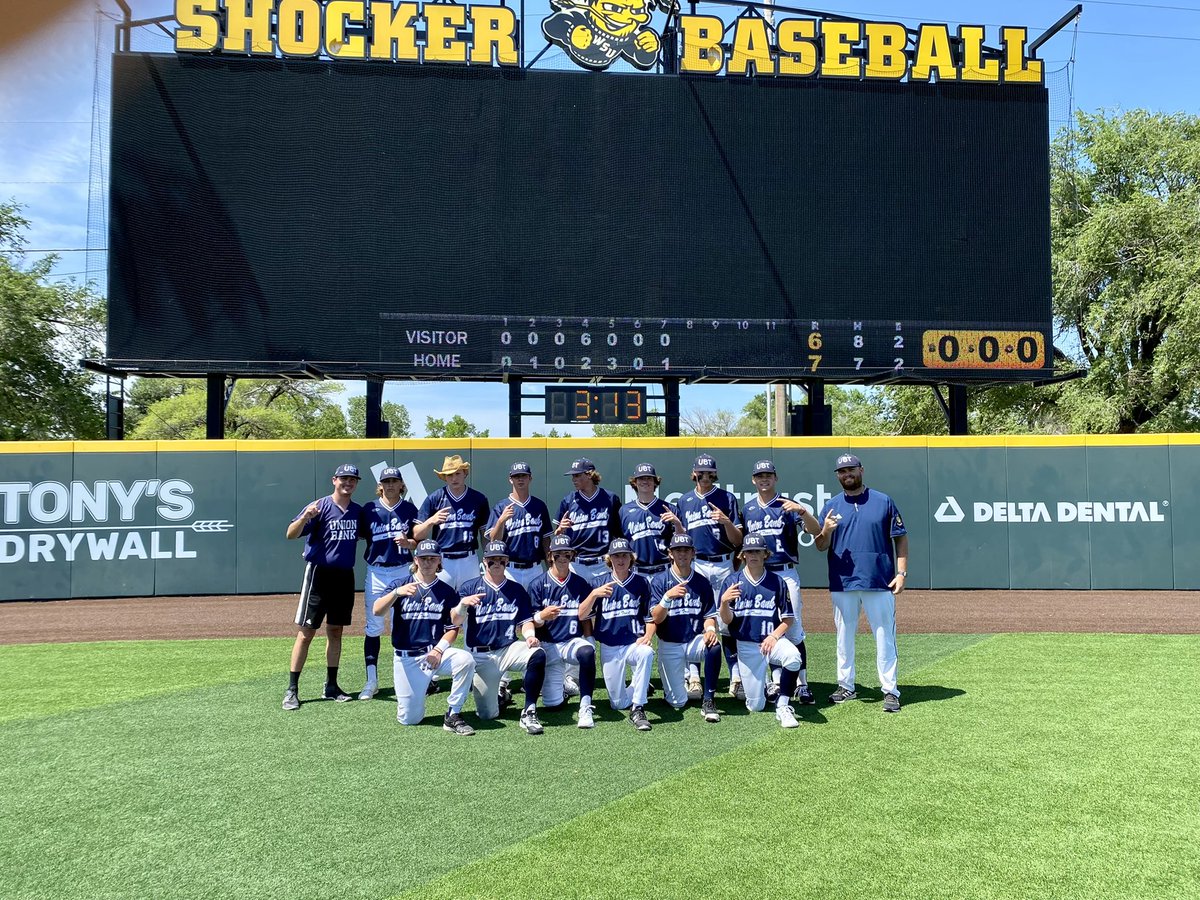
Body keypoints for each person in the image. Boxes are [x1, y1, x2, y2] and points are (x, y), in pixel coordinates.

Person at [813, 453, 908, 713]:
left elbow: (900, 537)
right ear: (837, 476)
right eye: (842, 471)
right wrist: (827, 530)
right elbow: (820, 545)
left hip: (879, 580)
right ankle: (846, 686)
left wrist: (901, 573)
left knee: (884, 636)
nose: (847, 474)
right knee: (844, 637)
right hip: (843, 582)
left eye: (851, 469)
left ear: (861, 470)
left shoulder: (883, 501)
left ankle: (890, 690)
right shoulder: (831, 506)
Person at [371, 540, 476, 734]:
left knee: (465, 660)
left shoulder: (446, 591)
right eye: (423, 558)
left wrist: (438, 650)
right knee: (409, 719)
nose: (427, 563)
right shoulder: (400, 584)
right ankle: (415, 699)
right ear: (415, 560)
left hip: (434, 656)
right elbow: (377, 610)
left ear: (439, 561)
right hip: (406, 658)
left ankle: (453, 714)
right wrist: (395, 593)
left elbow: (453, 628)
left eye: (432, 559)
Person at [282, 463, 364, 711]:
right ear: (334, 480)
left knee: (336, 631)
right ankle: (292, 689)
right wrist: (306, 517)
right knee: (306, 632)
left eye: (352, 479)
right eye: (344, 478)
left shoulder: (358, 511)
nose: (348, 483)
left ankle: (331, 685)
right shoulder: (319, 506)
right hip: (319, 574)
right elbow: (290, 533)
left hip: (344, 576)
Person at [454, 541, 557, 734]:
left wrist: (529, 636)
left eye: (501, 560)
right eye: (492, 560)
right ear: (484, 562)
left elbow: (526, 621)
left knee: (537, 653)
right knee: (487, 715)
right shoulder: (469, 587)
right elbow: (455, 620)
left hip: (508, 648)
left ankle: (529, 711)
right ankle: (501, 696)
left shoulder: (516, 590)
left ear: (507, 562)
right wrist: (462, 605)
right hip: (481, 656)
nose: (496, 563)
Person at [740, 458, 819, 705]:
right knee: (762, 627)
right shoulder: (748, 509)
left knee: (793, 628)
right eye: (760, 475)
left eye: (768, 475)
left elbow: (815, 531)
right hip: (756, 574)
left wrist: (803, 511)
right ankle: (774, 682)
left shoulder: (787, 505)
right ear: (753, 480)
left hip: (784, 571)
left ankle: (802, 684)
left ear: (775, 478)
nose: (764, 479)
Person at [674, 454, 742, 700]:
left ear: (715, 474)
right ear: (694, 474)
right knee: (696, 618)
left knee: (728, 622)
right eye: (701, 473)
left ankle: (736, 677)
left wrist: (725, 522)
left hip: (724, 563)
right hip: (698, 564)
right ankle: (694, 677)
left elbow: (738, 541)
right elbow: (681, 540)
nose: (705, 476)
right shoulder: (684, 501)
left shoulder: (727, 498)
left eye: (709, 473)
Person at [718, 533, 803, 728]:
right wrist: (724, 602)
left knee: (793, 657)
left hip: (771, 641)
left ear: (766, 554)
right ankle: (766, 683)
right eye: (749, 551)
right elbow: (727, 620)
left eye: (758, 551)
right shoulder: (732, 581)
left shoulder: (776, 581)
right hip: (747, 645)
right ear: (743, 555)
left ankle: (783, 706)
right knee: (756, 705)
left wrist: (774, 635)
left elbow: (788, 618)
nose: (753, 555)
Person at [577, 538, 655, 731]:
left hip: (632, 644)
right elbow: (581, 614)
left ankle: (638, 707)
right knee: (617, 703)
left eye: (624, 555)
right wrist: (594, 594)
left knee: (646, 653)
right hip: (609, 646)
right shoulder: (599, 582)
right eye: (616, 555)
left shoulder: (641, 582)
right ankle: (639, 686)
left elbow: (649, 617)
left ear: (631, 558)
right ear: (609, 558)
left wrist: (648, 636)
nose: (620, 559)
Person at [356, 466, 419, 700]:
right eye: (386, 481)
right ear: (380, 485)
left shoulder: (410, 509)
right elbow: (357, 536)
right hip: (377, 571)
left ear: (402, 484)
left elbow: (419, 543)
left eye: (395, 481)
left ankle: (403, 677)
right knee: (373, 627)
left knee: (402, 625)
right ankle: (371, 681)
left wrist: (410, 543)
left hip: (403, 570)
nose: (390, 485)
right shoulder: (369, 509)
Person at [650, 533, 722, 723]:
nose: (682, 554)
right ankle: (679, 684)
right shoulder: (659, 580)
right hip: (670, 643)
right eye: (677, 550)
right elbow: (656, 618)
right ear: (670, 554)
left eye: (686, 550)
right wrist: (667, 597)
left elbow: (709, 616)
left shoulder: (701, 582)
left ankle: (709, 699)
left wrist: (710, 631)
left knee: (714, 646)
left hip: (693, 641)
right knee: (677, 702)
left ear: (693, 553)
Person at [528, 534, 599, 728]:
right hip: (548, 644)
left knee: (586, 652)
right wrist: (542, 616)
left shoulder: (580, 583)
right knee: (553, 705)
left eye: (566, 554)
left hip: (570, 642)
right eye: (558, 554)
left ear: (572, 556)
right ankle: (562, 687)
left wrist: (590, 638)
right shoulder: (537, 584)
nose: (562, 558)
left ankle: (585, 706)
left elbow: (584, 616)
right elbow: (529, 623)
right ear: (550, 555)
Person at [415, 454, 490, 591]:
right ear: (444, 477)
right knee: (440, 604)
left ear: (465, 473)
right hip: (442, 559)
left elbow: (484, 533)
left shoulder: (478, 499)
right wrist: (431, 521)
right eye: (449, 475)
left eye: (457, 473)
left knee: (471, 602)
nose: (454, 478)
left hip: (469, 559)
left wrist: (488, 557)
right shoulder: (434, 498)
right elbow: (417, 533)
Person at [485, 461, 553, 591]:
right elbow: (494, 540)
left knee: (536, 608)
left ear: (530, 478)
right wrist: (501, 521)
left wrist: (550, 566)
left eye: (523, 475)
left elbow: (545, 540)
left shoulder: (539, 506)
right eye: (516, 476)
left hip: (535, 568)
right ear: (510, 479)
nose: (520, 479)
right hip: (510, 569)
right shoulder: (501, 507)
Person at [555, 457, 622, 584]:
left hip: (603, 564)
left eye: (577, 475)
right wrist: (560, 531)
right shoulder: (568, 501)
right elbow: (557, 537)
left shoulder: (610, 499)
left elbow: (619, 533)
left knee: (605, 603)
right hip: (576, 564)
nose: (573, 479)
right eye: (572, 476)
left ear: (589, 475)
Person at [619, 462, 681, 578]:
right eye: (641, 478)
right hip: (636, 571)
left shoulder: (668, 509)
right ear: (635, 482)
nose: (645, 481)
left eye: (649, 478)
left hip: (664, 569)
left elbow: (681, 541)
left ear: (655, 482)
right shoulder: (624, 511)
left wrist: (677, 524)